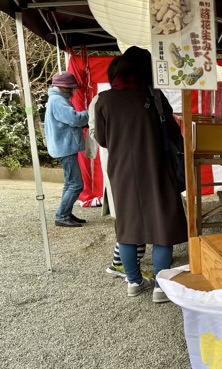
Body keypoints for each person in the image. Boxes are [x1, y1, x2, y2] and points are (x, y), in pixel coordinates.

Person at [94, 47, 187, 303]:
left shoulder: (104, 100)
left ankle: (134, 282)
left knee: (128, 226)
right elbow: (172, 132)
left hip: (122, 171)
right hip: (156, 167)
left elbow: (102, 140)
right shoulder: (154, 96)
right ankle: (160, 286)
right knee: (162, 226)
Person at [87, 56, 152, 282]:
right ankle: (120, 264)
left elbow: (100, 135)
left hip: (123, 163)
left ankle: (127, 264)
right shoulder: (104, 100)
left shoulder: (108, 99)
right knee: (130, 217)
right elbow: (99, 136)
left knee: (132, 215)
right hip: (125, 163)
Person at [44, 72, 90, 227]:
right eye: (72, 88)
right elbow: (74, 119)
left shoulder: (56, 99)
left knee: (69, 183)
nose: (74, 91)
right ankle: (62, 216)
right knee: (76, 184)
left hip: (63, 147)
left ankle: (66, 213)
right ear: (65, 88)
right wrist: (89, 115)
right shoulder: (58, 100)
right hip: (66, 148)